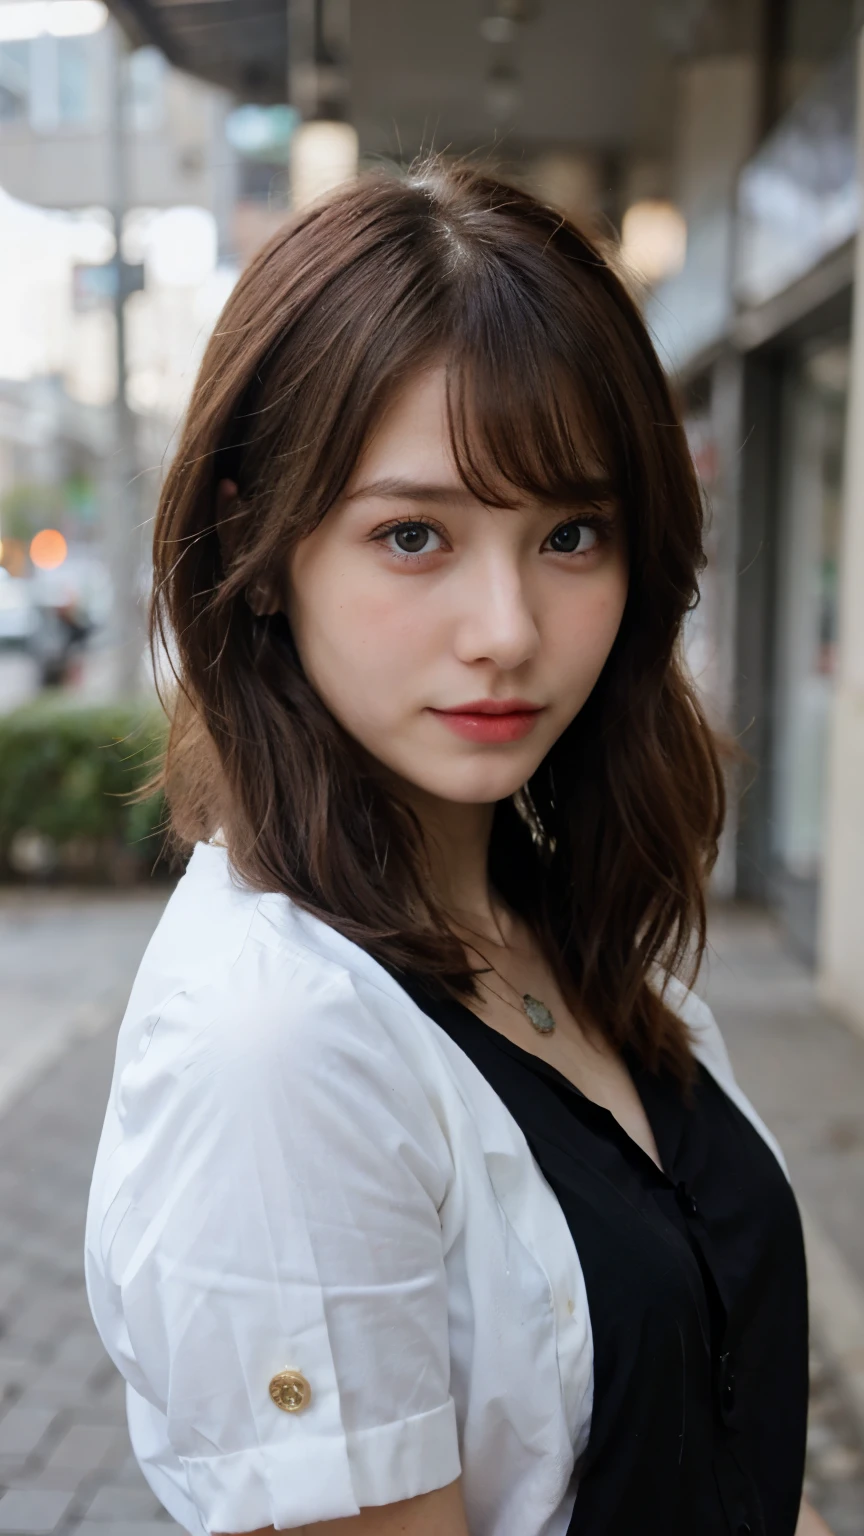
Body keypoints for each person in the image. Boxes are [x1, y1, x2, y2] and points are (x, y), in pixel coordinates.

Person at [85, 162, 828, 1536]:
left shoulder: (556, 923)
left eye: (571, 533)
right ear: (256, 535)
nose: (507, 627)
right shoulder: (284, 1044)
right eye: (414, 534)